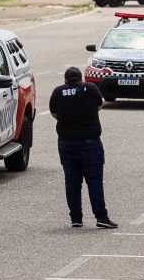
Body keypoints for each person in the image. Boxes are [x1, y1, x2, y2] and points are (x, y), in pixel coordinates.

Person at [49, 67, 118, 229]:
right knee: (94, 181)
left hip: (67, 142)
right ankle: (101, 217)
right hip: (90, 141)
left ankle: (76, 218)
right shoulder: (91, 88)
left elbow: (54, 114)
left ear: (65, 80)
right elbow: (99, 106)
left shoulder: (59, 92)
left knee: (72, 182)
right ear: (80, 78)